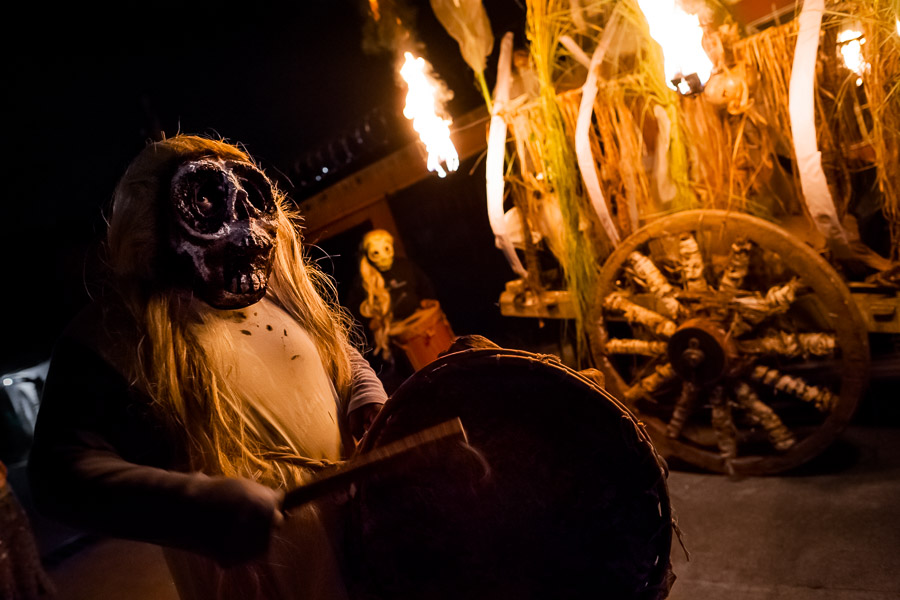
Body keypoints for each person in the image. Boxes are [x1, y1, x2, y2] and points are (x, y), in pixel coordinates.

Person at [27, 135, 387, 600]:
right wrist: (191, 507)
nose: (248, 227)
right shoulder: (123, 331)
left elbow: (339, 352)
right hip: (258, 576)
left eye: (252, 198)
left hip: (361, 545)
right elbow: (59, 474)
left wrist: (366, 394)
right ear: (152, 223)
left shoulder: (282, 292)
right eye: (206, 200)